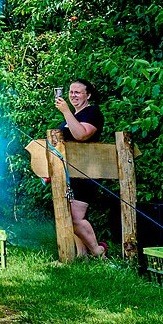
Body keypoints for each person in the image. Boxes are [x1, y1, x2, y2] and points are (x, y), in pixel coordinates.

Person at [51, 79, 107, 258]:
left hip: (87, 171)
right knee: (71, 215)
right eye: (70, 92)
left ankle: (98, 251)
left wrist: (66, 111)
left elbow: (81, 135)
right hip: (71, 173)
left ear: (88, 95)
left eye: (77, 92)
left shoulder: (93, 113)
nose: (72, 95)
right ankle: (82, 255)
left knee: (75, 218)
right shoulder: (73, 116)